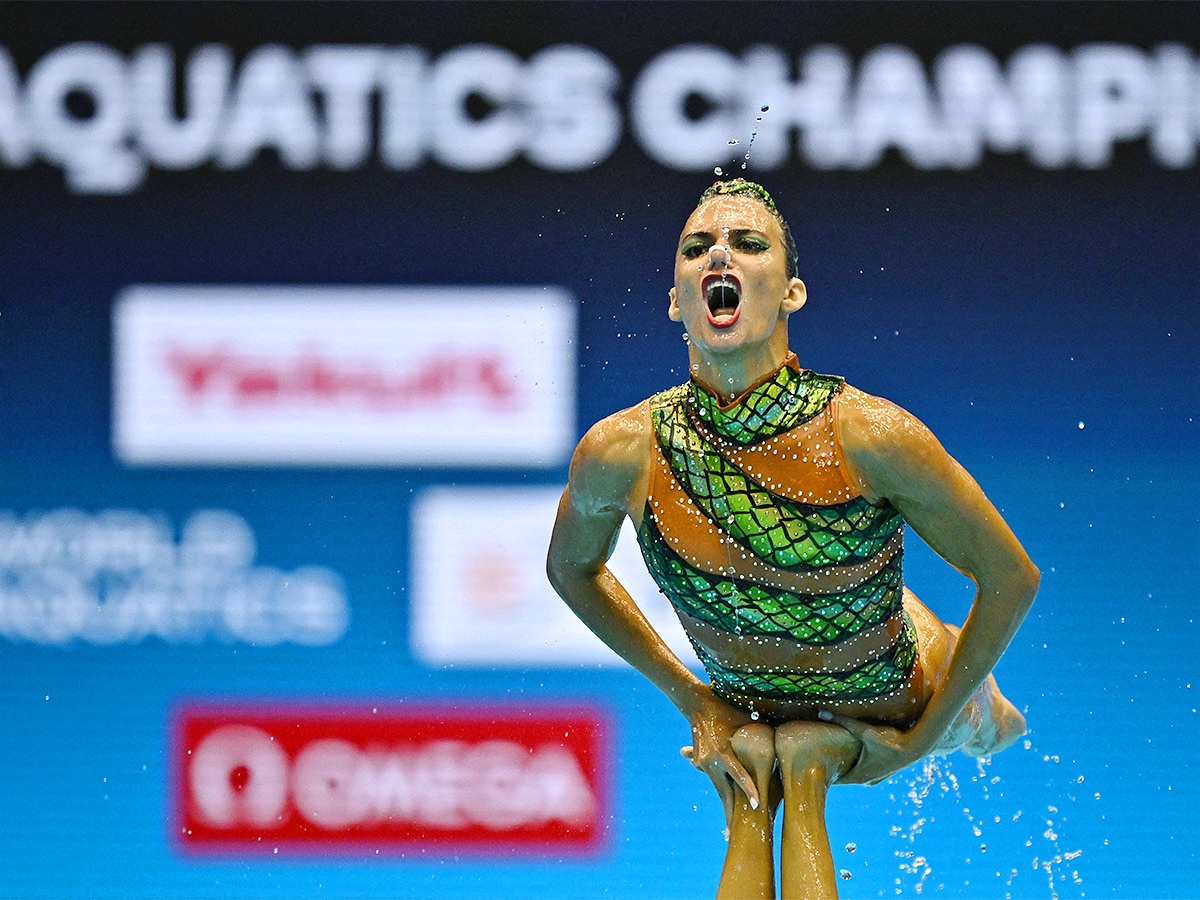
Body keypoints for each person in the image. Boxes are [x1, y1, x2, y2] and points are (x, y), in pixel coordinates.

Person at [546, 179, 1039, 899]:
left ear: (791, 294)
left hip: (894, 690)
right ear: (677, 301)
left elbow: (1012, 577)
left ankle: (955, 719)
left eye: (749, 244)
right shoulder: (622, 451)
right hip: (750, 700)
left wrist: (919, 742)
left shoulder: (870, 435)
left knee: (990, 725)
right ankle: (797, 759)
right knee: (765, 758)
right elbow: (570, 570)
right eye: (697, 248)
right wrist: (694, 699)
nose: (721, 253)